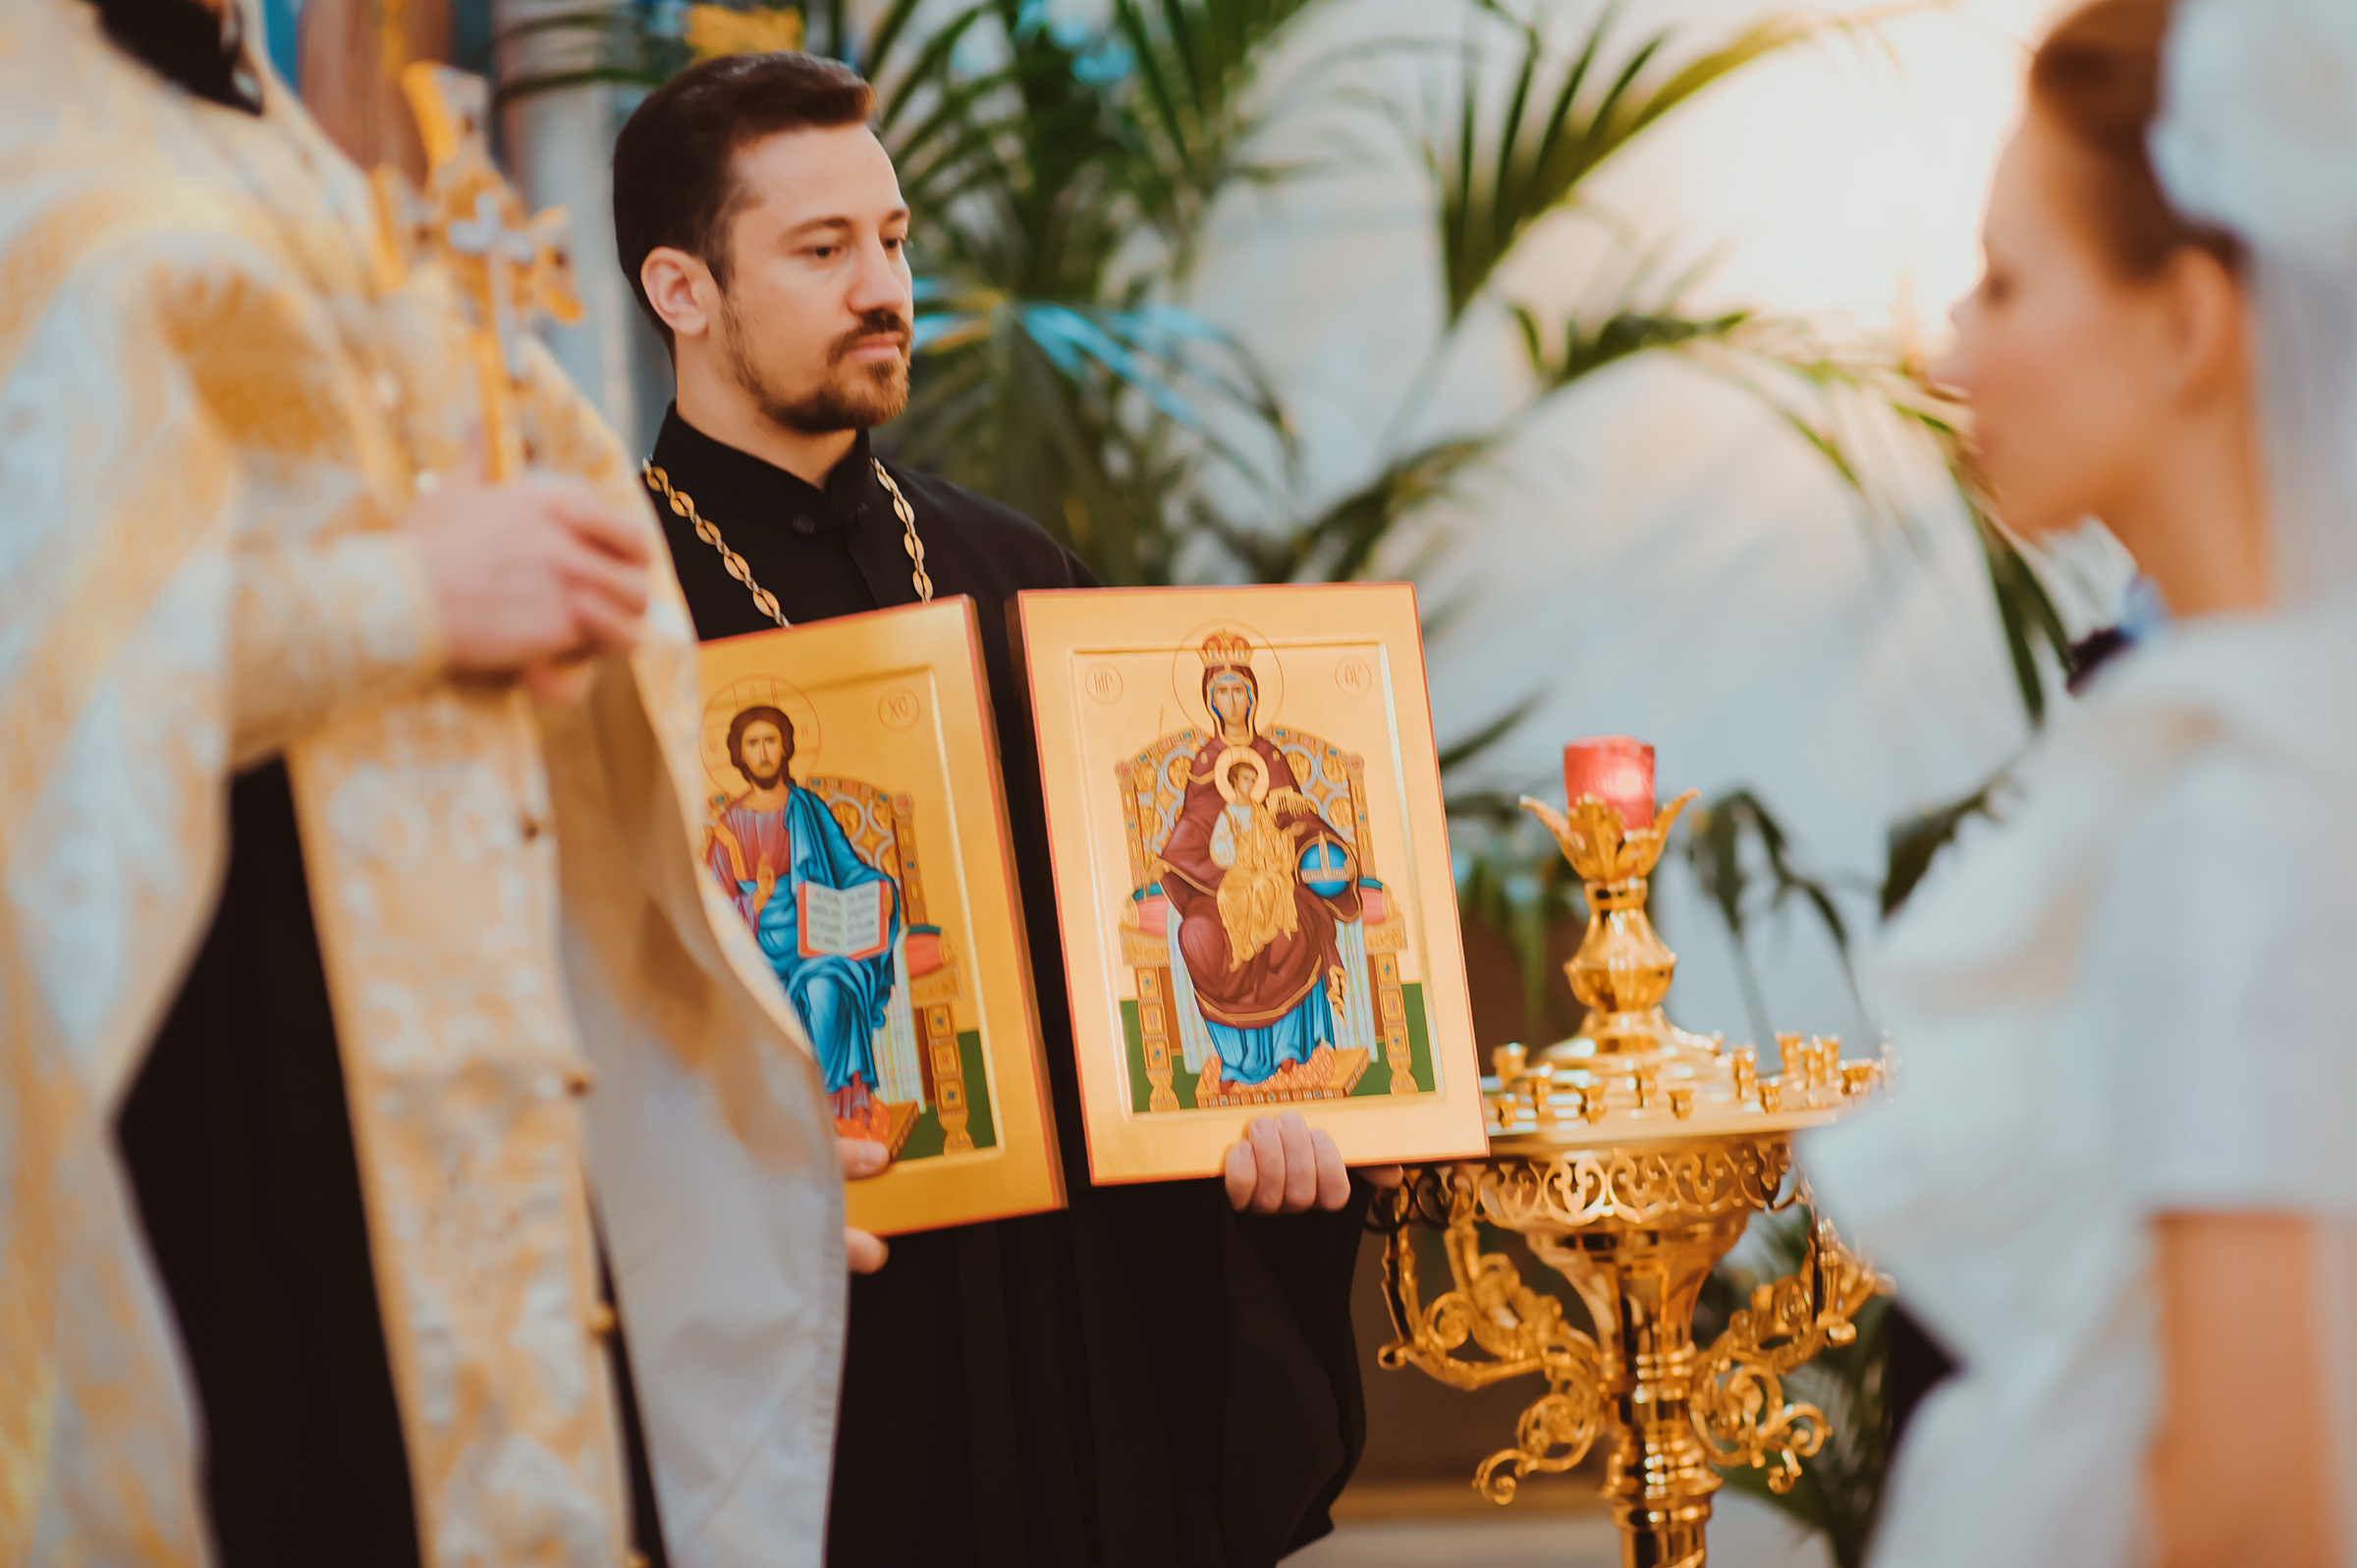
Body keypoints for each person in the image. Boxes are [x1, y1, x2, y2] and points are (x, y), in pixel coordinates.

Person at [0, 3, 849, 1562]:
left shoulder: (247, 111)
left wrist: (549, 583)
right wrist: (409, 601)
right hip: (206, 1053)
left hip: (430, 1041)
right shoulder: (35, 123)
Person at [613, 52, 1389, 1568]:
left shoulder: (1017, 568)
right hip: (815, 1343)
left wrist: (1255, 1119)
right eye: (822, 250)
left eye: (892, 239)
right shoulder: (616, 615)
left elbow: (1144, 966)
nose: (883, 286)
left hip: (1075, 1336)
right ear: (681, 290)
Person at [1803, 2, 2357, 1563]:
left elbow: (2260, 1507)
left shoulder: (2241, 817)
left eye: (2005, 279)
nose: (1948, 346)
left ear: (2188, 320)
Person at [1161, 655, 1363, 1090]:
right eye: (1221, 693)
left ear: (1252, 696)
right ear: (1210, 702)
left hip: (1277, 876)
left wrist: (1307, 842)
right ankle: (1235, 1060)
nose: (1231, 701)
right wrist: (1228, 857)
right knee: (1198, 933)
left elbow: (1301, 820)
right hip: (1222, 886)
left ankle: (1292, 1050)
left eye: (1239, 691)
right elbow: (1197, 831)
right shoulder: (1204, 764)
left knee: (1292, 927)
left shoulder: (1271, 755)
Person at [704, 704, 901, 1133]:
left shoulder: (809, 809)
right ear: (739, 755)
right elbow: (714, 910)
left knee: (828, 984)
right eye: (752, 744)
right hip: (756, 945)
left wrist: (879, 888)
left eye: (770, 741)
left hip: (819, 934)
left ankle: (824, 1107)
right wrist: (756, 904)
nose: (763, 752)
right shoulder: (730, 825)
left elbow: (848, 869)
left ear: (785, 747)